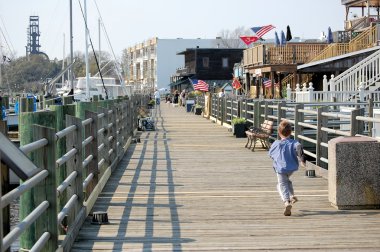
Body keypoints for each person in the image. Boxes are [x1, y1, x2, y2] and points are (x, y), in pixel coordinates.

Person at [269, 120, 306, 216]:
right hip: (291, 168)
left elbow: (271, 154)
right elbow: (299, 148)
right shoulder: (294, 142)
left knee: (281, 185)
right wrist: (302, 160)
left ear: (279, 132)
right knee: (287, 181)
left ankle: (286, 202)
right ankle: (292, 195)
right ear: (291, 132)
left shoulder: (276, 143)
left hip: (280, 169)